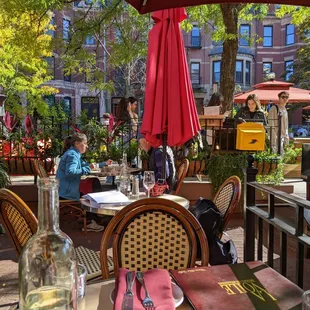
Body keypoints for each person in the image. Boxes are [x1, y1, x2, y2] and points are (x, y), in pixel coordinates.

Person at [56, 133, 110, 232]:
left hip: (65, 190)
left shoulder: (74, 153)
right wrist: (88, 168)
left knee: (94, 184)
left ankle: (95, 218)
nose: (87, 146)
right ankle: (91, 221)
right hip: (67, 193)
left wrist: (103, 164)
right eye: (85, 143)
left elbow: (86, 165)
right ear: (77, 143)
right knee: (92, 191)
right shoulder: (72, 155)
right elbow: (70, 172)